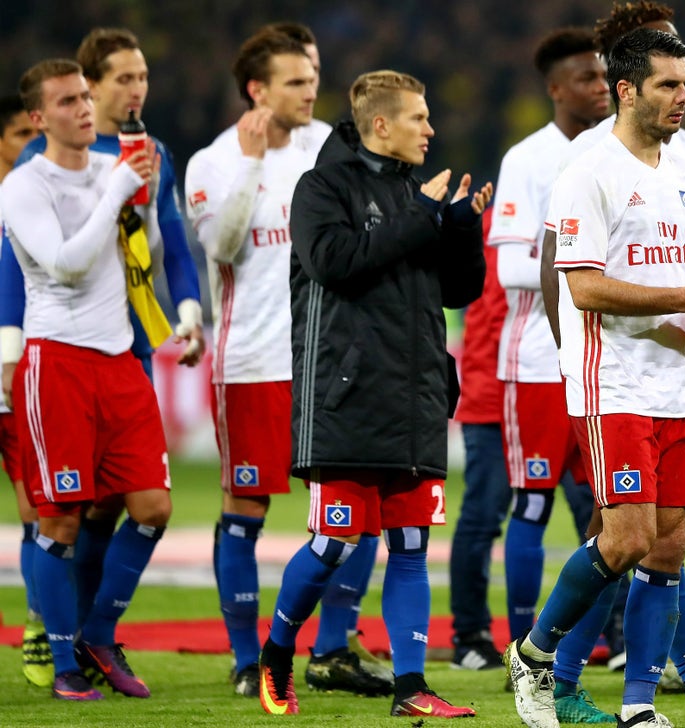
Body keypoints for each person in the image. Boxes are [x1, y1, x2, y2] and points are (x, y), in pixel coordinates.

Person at [533, 3, 685, 710]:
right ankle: (554, 669)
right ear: (627, 82)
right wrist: (571, 364)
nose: (683, 95)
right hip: (604, 374)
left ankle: (639, 696)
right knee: (621, 538)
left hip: (669, 377)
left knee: (655, 541)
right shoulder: (583, 166)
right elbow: (564, 274)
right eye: (669, 82)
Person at [258, 69, 491, 718]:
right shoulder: (320, 188)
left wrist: (462, 227)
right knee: (334, 544)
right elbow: (335, 264)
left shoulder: (415, 196)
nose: (431, 129)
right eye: (419, 117)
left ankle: (410, 688)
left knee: (412, 549)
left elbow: (456, 290)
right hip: (346, 401)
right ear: (382, 124)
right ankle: (278, 651)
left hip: (412, 401)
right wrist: (423, 218)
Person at [185, 29, 390, 699]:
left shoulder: (329, 150)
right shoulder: (212, 163)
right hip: (252, 361)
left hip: (330, 364)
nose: (311, 92)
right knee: (245, 507)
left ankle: (332, 649)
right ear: (257, 90)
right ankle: (248, 658)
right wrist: (249, 167)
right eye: (297, 82)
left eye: (314, 77)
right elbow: (219, 245)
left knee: (352, 513)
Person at [0, 28, 205, 645]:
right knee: (58, 507)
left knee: (126, 500)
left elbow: (167, 237)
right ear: (87, 84)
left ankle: (91, 631)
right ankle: (51, 629)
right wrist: (9, 350)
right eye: (123, 78)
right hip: (57, 350)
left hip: (127, 345)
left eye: (143, 76)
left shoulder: (151, 152)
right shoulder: (43, 161)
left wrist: (189, 309)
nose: (136, 88)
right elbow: (20, 264)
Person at [491, 23, 608, 663]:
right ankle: (520, 637)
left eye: (602, 75)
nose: (599, 86)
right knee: (532, 505)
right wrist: (581, 268)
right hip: (537, 362)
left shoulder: (615, 154)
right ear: (556, 88)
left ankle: (596, 640)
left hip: (600, 366)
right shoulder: (526, 159)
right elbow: (508, 268)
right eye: (586, 77)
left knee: (613, 509)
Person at [447, 204, 513, 670]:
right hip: (491, 387)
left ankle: (612, 632)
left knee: (594, 510)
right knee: (483, 514)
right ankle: (469, 635)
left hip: (551, 390)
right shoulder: (488, 223)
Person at [0, 93, 47, 688]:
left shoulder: (42, 201)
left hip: (20, 375)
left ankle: (38, 624)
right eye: (19, 135)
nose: (31, 146)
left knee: (36, 507)